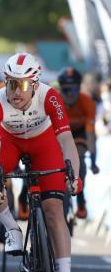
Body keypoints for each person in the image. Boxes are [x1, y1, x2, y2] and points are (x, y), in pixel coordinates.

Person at [0, 52, 81, 272]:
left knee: (54, 210)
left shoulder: (50, 96)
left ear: (34, 84)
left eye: (21, 85)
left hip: (43, 144)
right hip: (8, 142)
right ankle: (11, 227)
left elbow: (66, 141)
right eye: (11, 84)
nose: (15, 92)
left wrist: (74, 176)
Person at [57, 67, 98, 219]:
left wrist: (93, 160)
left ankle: (80, 199)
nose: (70, 94)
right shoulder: (54, 100)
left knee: (79, 156)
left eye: (74, 90)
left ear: (79, 88)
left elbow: (91, 134)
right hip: (59, 132)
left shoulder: (87, 102)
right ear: (60, 88)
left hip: (80, 133)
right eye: (66, 90)